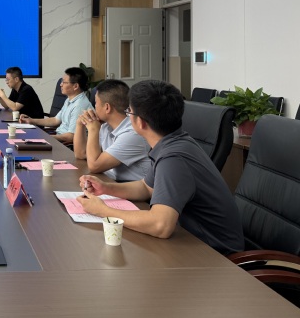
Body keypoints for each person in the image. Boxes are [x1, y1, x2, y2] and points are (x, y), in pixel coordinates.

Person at [78, 80, 244, 255]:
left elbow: (160, 225)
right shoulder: (174, 142)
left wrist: (103, 211)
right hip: (190, 239)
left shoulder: (174, 158)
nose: (127, 116)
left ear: (140, 122)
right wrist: (106, 188)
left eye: (129, 112)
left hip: (215, 255)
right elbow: (146, 187)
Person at [73, 79, 150, 182]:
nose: (94, 107)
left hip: (132, 189)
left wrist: (93, 129)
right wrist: (80, 124)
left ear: (107, 107)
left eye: (96, 103)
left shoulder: (133, 133)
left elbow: (94, 166)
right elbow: (81, 154)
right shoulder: (106, 126)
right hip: (110, 181)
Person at [19, 67, 92, 144]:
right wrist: (31, 121)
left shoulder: (80, 106)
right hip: (58, 138)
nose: (61, 85)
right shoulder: (69, 100)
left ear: (75, 86)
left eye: (64, 82)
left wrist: (47, 137)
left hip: (66, 145)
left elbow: (71, 136)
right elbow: (56, 120)